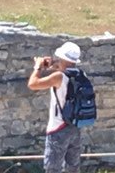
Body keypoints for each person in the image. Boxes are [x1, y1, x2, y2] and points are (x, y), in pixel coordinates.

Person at [28, 41, 84, 173]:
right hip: (75, 126)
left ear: (63, 57)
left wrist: (37, 67)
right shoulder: (81, 75)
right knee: (73, 167)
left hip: (58, 128)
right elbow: (64, 70)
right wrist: (51, 65)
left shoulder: (59, 77)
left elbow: (32, 84)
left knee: (52, 167)